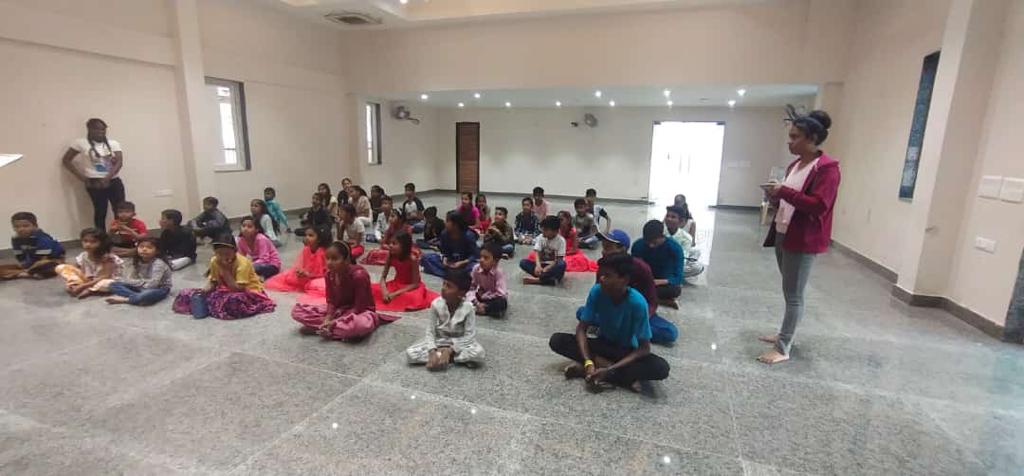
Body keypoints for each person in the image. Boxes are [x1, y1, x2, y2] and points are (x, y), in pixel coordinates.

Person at [759, 110, 840, 364]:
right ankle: (785, 332)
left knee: (794, 295)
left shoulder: (826, 169)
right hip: (784, 231)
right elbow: (790, 199)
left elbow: (819, 205)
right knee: (789, 289)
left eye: (795, 137)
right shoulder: (795, 165)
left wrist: (784, 192)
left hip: (803, 238)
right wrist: (775, 195)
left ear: (812, 138)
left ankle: (783, 347)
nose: (790, 142)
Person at [549, 254, 670, 392]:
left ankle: (598, 369)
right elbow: (581, 329)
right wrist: (588, 361)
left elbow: (644, 348)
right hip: (603, 344)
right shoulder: (597, 291)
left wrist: (610, 368)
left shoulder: (638, 303)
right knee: (557, 340)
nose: (601, 278)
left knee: (661, 368)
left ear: (624, 279)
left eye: (607, 275)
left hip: (626, 351)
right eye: (601, 274)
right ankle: (613, 374)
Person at [292, 241, 398, 340]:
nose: (329, 263)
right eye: (327, 258)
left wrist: (336, 321)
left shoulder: (359, 275)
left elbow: (360, 307)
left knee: (360, 326)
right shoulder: (329, 275)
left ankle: (329, 329)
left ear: (346, 260)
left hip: (359, 313)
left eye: (335, 259)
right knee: (297, 312)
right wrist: (328, 317)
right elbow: (331, 301)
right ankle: (332, 329)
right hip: (339, 310)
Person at [590, 230, 677, 345]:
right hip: (611, 311)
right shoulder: (603, 267)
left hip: (636, 313)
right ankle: (624, 331)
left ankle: (625, 331)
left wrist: (641, 320)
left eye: (608, 248)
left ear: (623, 249)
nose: (603, 251)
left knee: (670, 333)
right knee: (581, 313)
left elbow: (651, 302)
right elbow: (598, 295)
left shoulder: (641, 267)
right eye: (603, 247)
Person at [172, 236, 276, 320]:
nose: (223, 257)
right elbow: (213, 281)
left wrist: (225, 270)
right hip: (225, 289)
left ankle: (214, 306)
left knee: (234, 301)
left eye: (227, 254)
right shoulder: (214, 260)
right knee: (186, 293)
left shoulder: (243, 263)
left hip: (247, 291)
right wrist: (204, 290)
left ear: (235, 251)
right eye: (219, 254)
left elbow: (238, 289)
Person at [405, 269, 485, 370]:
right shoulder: (436, 304)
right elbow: (430, 331)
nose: (443, 288)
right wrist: (432, 351)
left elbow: (469, 336)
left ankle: (444, 357)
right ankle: (449, 358)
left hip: (459, 342)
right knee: (411, 353)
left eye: (449, 286)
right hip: (440, 341)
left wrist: (450, 350)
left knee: (478, 353)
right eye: (444, 284)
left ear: (461, 293)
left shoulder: (468, 307)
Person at [60, 118, 126, 230]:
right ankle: (101, 237)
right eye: (96, 129)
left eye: (103, 129)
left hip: (113, 180)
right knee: (100, 211)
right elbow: (66, 160)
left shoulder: (113, 143)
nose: (100, 132)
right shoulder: (80, 143)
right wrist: (82, 177)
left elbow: (119, 162)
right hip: (94, 182)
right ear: (89, 129)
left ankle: (123, 235)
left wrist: (107, 177)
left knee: (120, 210)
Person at [371, 231, 438, 311]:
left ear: (404, 246)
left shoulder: (412, 259)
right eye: (390, 243)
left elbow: (415, 284)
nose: (390, 245)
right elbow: (383, 278)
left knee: (412, 298)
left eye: (394, 243)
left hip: (410, 287)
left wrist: (394, 294)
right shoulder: (391, 255)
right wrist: (384, 291)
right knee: (371, 289)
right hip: (395, 284)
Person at [56, 228, 124, 299]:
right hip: (89, 279)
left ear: (102, 243)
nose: (88, 244)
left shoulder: (108, 258)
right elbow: (76, 268)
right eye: (85, 241)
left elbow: (105, 276)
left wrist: (83, 286)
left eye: (93, 242)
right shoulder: (83, 255)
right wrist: (74, 279)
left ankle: (91, 290)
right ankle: (76, 285)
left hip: (105, 280)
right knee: (61, 267)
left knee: (108, 284)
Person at [630, 220, 684, 309]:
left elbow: (678, 277)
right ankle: (660, 301)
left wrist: (659, 281)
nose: (651, 245)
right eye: (648, 242)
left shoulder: (675, 248)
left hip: (662, 283)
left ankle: (645, 298)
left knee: (675, 290)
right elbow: (633, 267)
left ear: (662, 236)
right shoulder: (638, 245)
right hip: (644, 280)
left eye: (654, 242)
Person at [105, 237, 172, 306]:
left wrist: (135, 282)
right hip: (141, 286)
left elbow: (153, 284)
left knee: (147, 294)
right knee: (113, 285)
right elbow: (132, 278)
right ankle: (137, 297)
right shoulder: (137, 261)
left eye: (149, 247)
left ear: (157, 251)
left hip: (159, 288)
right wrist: (129, 282)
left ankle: (127, 299)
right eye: (141, 247)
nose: (144, 249)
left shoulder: (158, 263)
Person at [1, 212, 64, 280]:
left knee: (49, 266)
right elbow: (19, 255)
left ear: (35, 226)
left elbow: (42, 258)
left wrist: (29, 268)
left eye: (25, 226)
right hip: (32, 261)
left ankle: (23, 273)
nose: (21, 229)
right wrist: (24, 264)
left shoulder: (42, 238)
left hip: (50, 259)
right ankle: (26, 273)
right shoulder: (16, 238)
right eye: (17, 227)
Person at [265, 226, 329, 293]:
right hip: (307, 276)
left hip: (318, 278)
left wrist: (309, 274)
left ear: (319, 239)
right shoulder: (306, 250)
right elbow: (304, 266)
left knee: (315, 285)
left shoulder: (322, 252)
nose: (307, 237)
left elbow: (324, 273)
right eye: (305, 235)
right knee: (289, 277)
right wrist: (301, 272)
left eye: (311, 235)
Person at [421, 213, 479, 278]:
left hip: (464, 263)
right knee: (425, 258)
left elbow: (475, 255)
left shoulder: (468, 235)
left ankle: (451, 274)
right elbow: (444, 252)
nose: (445, 223)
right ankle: (455, 275)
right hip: (451, 261)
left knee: (475, 267)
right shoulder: (444, 234)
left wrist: (462, 262)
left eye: (448, 221)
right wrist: (445, 259)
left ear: (455, 225)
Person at [520, 216, 566, 285]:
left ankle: (539, 280)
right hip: (542, 265)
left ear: (555, 231)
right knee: (523, 262)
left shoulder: (561, 241)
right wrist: (538, 266)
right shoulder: (540, 237)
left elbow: (559, 259)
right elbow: (537, 253)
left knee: (562, 264)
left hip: (553, 267)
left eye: (546, 230)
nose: (543, 231)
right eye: (543, 229)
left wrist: (548, 268)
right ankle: (548, 280)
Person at [664, 205, 704, 278]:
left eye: (673, 217)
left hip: (673, 263)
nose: (669, 219)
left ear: (681, 221)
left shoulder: (686, 238)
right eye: (667, 216)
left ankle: (673, 275)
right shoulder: (660, 230)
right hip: (659, 260)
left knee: (697, 266)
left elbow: (681, 259)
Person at [469, 243, 508, 318]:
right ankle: (484, 309)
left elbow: (501, 293)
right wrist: (476, 302)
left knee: (502, 302)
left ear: (495, 261)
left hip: (492, 298)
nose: (481, 260)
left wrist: (485, 296)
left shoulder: (499, 273)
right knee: (462, 294)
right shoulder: (476, 269)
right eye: (480, 257)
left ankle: (484, 310)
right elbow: (471, 287)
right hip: (480, 296)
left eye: (486, 258)